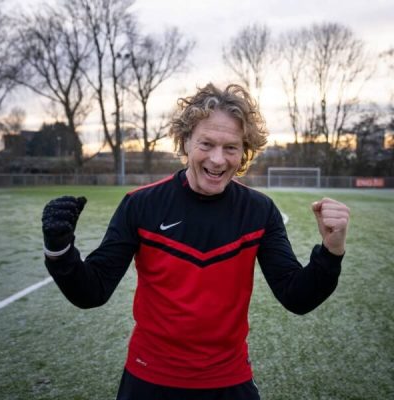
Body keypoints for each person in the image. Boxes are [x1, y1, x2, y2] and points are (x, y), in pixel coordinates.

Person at [42, 83, 350, 400]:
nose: (218, 159)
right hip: (149, 375)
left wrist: (331, 251)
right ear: (186, 141)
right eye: (207, 144)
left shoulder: (259, 211)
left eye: (231, 148)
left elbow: (296, 296)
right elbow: (92, 291)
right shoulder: (141, 205)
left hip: (228, 379)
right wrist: (59, 249)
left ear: (244, 151)